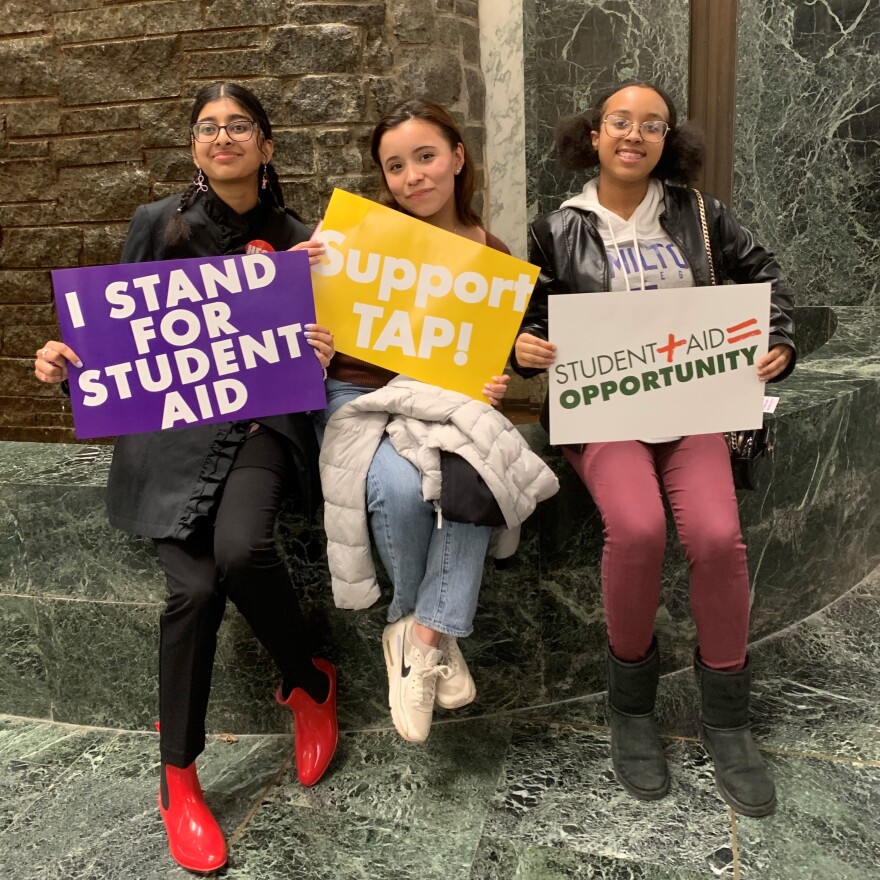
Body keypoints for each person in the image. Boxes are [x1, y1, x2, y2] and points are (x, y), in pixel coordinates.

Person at [34, 81, 338, 874]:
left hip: (261, 425)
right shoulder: (154, 224)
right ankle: (179, 778)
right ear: (196, 146)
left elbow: (330, 353)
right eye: (208, 127)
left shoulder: (301, 239)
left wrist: (320, 352)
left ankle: (308, 682)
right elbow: (117, 339)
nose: (224, 137)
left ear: (267, 146)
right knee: (193, 591)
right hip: (169, 431)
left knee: (242, 552)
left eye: (240, 125)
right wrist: (66, 363)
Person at [512, 82, 796, 817]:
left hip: (692, 406)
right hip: (604, 413)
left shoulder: (701, 215)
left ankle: (727, 717)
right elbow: (527, 326)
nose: (634, 134)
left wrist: (780, 342)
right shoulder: (554, 229)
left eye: (652, 125)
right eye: (620, 122)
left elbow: (766, 282)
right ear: (594, 134)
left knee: (717, 535)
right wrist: (526, 349)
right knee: (637, 528)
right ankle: (632, 708)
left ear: (669, 140)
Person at [316, 99, 556, 745]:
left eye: (425, 157)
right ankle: (433, 635)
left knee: (473, 470)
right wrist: (301, 299)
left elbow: (488, 364)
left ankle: (418, 633)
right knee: (395, 489)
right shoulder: (351, 243)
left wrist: (497, 379)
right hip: (361, 394)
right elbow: (310, 334)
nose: (412, 176)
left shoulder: (492, 253)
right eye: (395, 166)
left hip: (445, 399)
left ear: (457, 157)